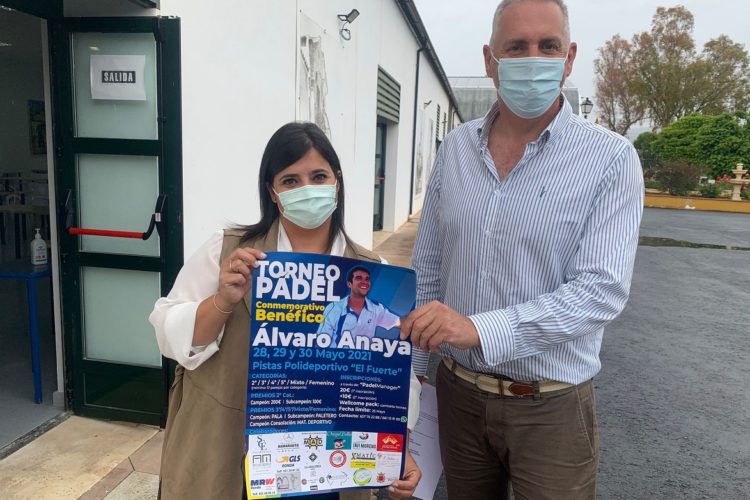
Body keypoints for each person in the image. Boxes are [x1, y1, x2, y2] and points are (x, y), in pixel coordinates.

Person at [400, 0, 644, 498]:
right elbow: (427, 270)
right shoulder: (455, 150)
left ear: (569, 56)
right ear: (491, 60)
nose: (533, 59)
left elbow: (600, 291)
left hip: (550, 407)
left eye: (547, 46)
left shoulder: (611, 159)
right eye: (516, 47)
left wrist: (478, 329)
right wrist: (416, 378)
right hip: (458, 397)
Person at [150, 122, 421, 500]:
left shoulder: (372, 272)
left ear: (337, 183)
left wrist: (397, 451)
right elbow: (168, 335)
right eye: (290, 180)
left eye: (318, 176)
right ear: (273, 193)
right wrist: (222, 302)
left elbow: (394, 378)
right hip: (226, 455)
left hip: (331, 465)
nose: (307, 189)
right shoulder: (228, 252)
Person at [317, 265, 401, 343]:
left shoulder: (376, 309)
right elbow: (321, 342)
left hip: (364, 358)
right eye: (359, 278)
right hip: (337, 358)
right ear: (349, 284)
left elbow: (399, 322)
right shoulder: (334, 308)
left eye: (367, 279)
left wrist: (412, 321)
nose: (364, 282)